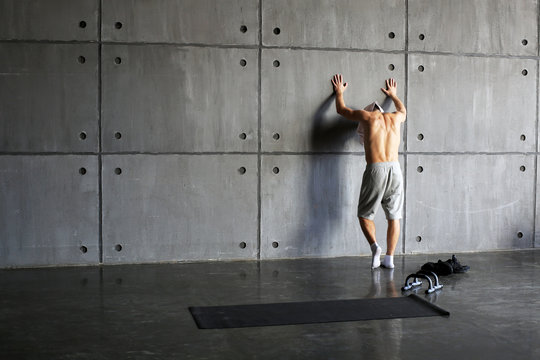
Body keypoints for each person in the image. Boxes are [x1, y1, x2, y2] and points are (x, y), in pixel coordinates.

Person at [331, 75, 406, 269]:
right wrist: (394, 95)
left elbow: (342, 110)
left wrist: (339, 93)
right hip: (395, 169)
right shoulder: (395, 118)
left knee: (365, 214)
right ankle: (390, 258)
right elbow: (403, 110)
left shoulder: (367, 117)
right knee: (394, 216)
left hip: (376, 168)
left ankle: (375, 247)